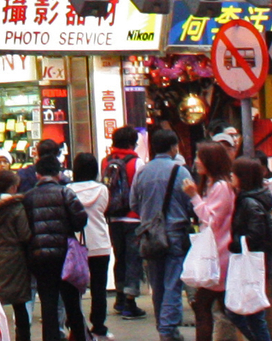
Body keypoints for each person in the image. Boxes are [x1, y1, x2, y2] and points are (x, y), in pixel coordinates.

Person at [131, 130, 195, 341]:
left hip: (149, 234)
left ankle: (163, 326)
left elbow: (133, 203)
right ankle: (168, 330)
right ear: (173, 147)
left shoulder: (143, 172)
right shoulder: (180, 172)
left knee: (157, 284)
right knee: (172, 283)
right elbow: (190, 202)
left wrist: (149, 216)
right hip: (175, 232)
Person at [24, 148, 82, 341]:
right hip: (66, 254)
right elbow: (80, 220)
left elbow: (24, 228)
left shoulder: (28, 197)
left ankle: (51, 337)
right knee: (71, 300)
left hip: (39, 256)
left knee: (47, 301)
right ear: (58, 173)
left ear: (37, 174)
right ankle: (79, 335)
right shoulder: (66, 193)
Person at [184, 143, 236, 341]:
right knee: (221, 306)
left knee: (203, 304)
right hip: (219, 253)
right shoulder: (216, 185)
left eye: (200, 157)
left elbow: (212, 220)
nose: (196, 161)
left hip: (220, 254)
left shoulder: (221, 187)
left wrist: (194, 197)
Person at [65, 152, 114, 341]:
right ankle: (99, 325)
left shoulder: (67, 190)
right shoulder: (102, 190)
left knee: (73, 286)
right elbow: (104, 208)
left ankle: (76, 324)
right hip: (100, 242)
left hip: (76, 244)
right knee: (99, 287)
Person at [225, 160, 272, 341]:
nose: (231, 176)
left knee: (248, 313)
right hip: (257, 260)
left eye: (234, 173)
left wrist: (235, 244)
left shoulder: (249, 203)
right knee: (252, 314)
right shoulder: (252, 199)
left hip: (253, 261)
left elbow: (255, 234)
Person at [0, 171, 33, 341]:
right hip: (14, 262)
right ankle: (22, 338)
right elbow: (25, 235)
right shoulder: (16, 207)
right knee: (20, 306)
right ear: (12, 187)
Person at [103, 131, 143, 322]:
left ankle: (119, 297)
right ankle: (130, 301)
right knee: (133, 259)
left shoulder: (105, 161)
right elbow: (140, 190)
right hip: (133, 217)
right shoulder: (137, 163)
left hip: (113, 218)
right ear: (131, 143)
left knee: (119, 257)